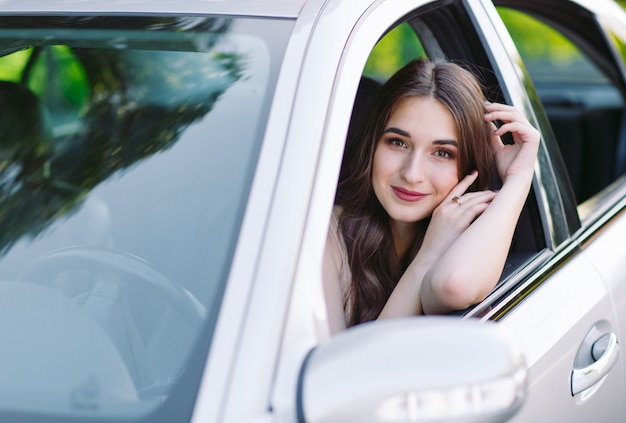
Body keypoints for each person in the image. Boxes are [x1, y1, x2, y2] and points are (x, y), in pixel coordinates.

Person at [323, 58, 540, 334]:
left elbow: (455, 283)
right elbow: (348, 374)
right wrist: (428, 255)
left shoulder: (474, 238)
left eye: (442, 153)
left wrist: (519, 179)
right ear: (373, 145)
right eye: (398, 143)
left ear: (470, 165)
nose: (412, 174)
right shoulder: (325, 235)